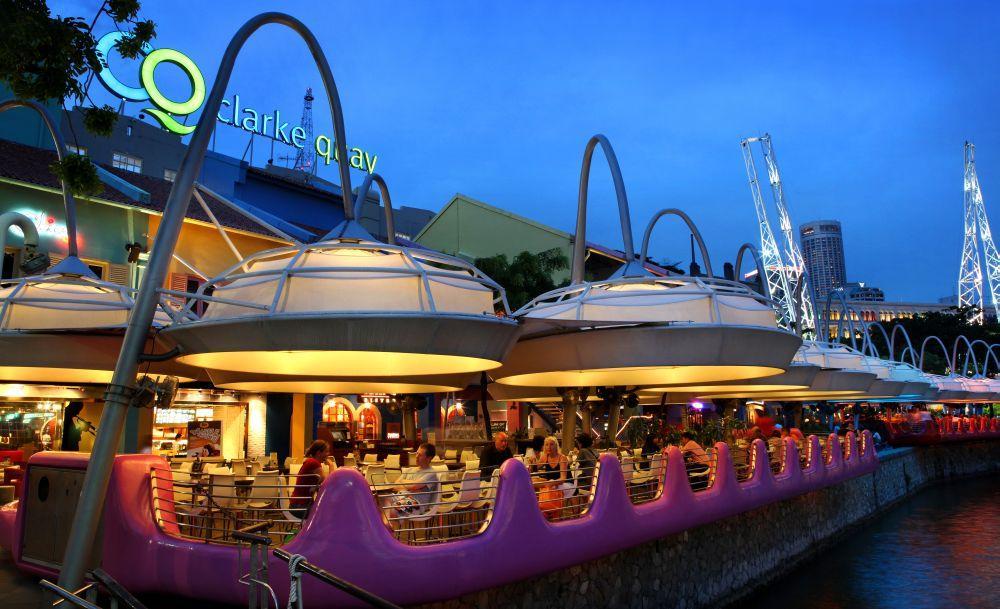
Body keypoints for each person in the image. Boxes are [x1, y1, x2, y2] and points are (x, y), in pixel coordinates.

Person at [385, 443, 441, 518]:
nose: (416, 456)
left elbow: (414, 485)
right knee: (381, 501)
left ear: (428, 458)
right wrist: (411, 488)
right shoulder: (410, 470)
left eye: (420, 455)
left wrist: (403, 481)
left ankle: (388, 525)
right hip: (401, 497)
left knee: (392, 510)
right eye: (417, 453)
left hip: (416, 503)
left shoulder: (431, 473)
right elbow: (395, 486)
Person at [290, 440, 337, 518]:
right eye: (326, 451)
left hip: (300, 504)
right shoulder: (313, 463)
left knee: (330, 510)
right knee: (330, 513)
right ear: (318, 453)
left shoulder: (311, 461)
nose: (328, 454)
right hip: (300, 507)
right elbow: (328, 483)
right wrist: (331, 465)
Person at [529, 436, 568, 519]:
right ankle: (539, 510)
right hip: (550, 481)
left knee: (543, 485)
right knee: (530, 482)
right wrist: (533, 462)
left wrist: (550, 483)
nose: (549, 447)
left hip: (565, 483)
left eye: (551, 444)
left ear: (556, 446)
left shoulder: (562, 457)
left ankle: (549, 511)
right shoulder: (545, 457)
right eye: (546, 445)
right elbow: (535, 469)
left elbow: (563, 478)